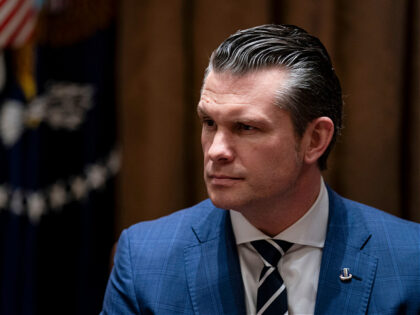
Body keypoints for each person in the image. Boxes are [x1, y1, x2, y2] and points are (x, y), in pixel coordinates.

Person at [101, 24, 420, 315]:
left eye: (246, 127)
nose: (216, 151)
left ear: (315, 139)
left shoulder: (410, 261)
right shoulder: (144, 259)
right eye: (209, 123)